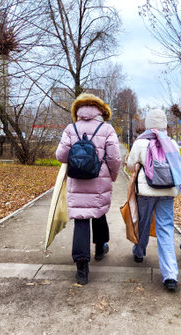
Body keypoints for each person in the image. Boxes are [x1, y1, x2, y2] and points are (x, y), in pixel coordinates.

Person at [56, 93, 121, 285]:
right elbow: (114, 158)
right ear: (100, 110)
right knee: (98, 213)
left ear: (78, 109)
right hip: (99, 179)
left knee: (81, 221)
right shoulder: (107, 128)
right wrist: (113, 176)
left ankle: (82, 269)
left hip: (77, 180)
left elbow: (61, 156)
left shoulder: (71, 128)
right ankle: (100, 248)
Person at [126, 108, 181, 291]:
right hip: (167, 192)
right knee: (166, 229)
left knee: (143, 223)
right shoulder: (171, 143)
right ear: (164, 124)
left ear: (147, 123)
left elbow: (130, 166)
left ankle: (139, 252)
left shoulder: (140, 143)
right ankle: (170, 275)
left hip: (146, 192)